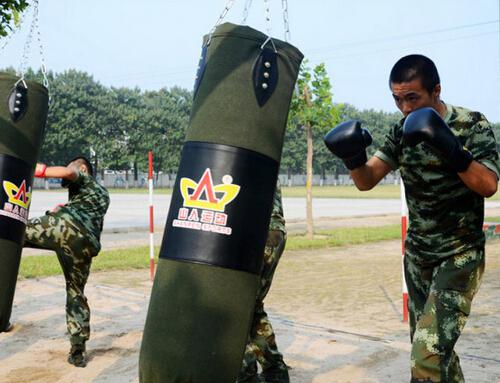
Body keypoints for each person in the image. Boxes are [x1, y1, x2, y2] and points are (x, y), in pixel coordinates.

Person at [323, 54, 499, 382]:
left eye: (412, 98)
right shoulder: (400, 131)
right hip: (419, 257)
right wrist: (352, 157)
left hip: (459, 256)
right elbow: (366, 180)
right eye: (397, 99)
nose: (404, 108)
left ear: (436, 90)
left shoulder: (471, 124)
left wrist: (449, 146)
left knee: (427, 355)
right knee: (434, 353)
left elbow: (488, 185)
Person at [24, 156, 110, 367]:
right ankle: (78, 350)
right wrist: (62, 208)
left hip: (65, 227)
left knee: (12, 229)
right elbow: (86, 212)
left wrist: (36, 169)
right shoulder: (102, 193)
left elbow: (67, 173)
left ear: (83, 167)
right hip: (85, 246)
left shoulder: (83, 176)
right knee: (75, 292)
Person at [237, 180, 289, 383]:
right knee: (253, 306)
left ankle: (247, 374)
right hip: (274, 231)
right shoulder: (263, 152)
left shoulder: (238, 152)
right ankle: (275, 371)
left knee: (235, 308)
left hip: (256, 233)